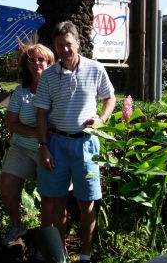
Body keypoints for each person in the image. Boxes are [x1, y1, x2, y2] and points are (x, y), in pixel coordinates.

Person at [34, 21, 116, 263]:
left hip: (86, 145)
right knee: (57, 201)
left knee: (87, 202)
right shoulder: (48, 75)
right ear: (55, 47)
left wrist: (101, 118)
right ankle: (60, 255)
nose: (64, 49)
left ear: (78, 43)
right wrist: (43, 146)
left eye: (68, 44)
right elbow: (41, 114)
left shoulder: (95, 68)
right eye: (59, 45)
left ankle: (86, 255)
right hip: (56, 143)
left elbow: (110, 98)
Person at [0, 43, 55, 246]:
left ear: (50, 62)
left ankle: (47, 239)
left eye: (41, 59)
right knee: (6, 186)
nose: (36, 63)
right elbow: (11, 123)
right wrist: (37, 132)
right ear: (26, 64)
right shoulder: (20, 92)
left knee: (50, 197)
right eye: (32, 59)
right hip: (21, 147)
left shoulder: (58, 89)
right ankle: (17, 227)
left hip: (50, 149)